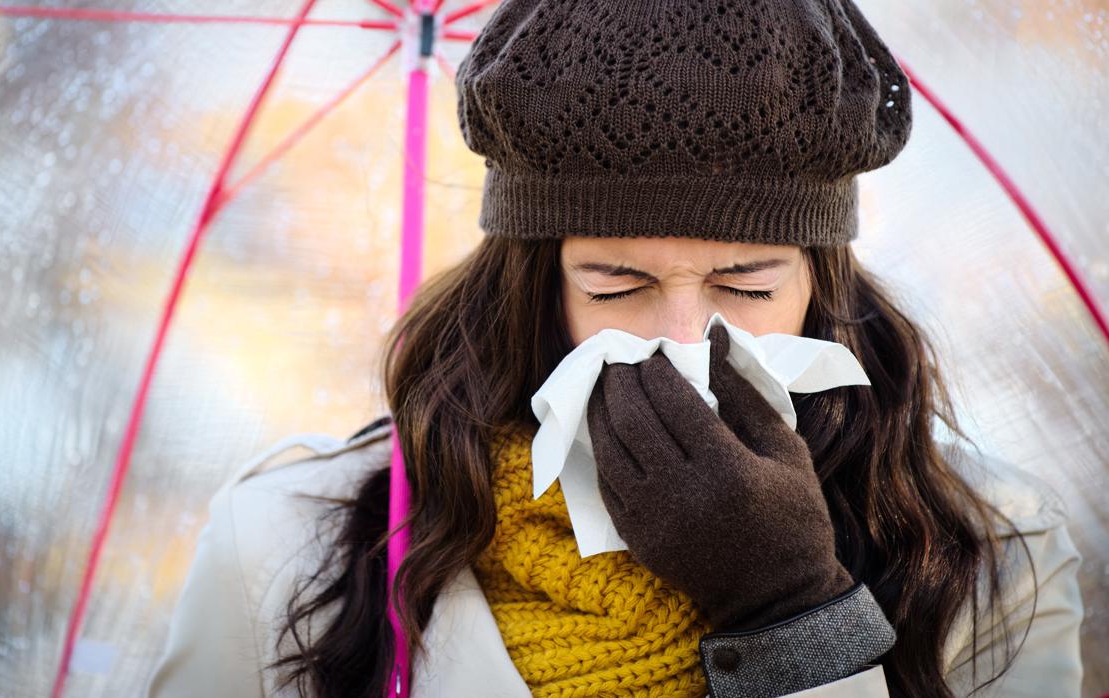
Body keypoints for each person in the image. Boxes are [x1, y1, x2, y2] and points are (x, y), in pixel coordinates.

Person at [146, 0, 1085, 696]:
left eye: (747, 287)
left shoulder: (989, 553)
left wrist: (796, 616)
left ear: (821, 286)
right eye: (616, 287)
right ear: (533, 291)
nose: (683, 341)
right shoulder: (284, 542)